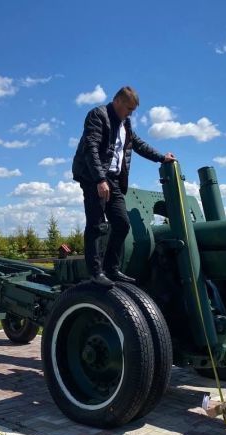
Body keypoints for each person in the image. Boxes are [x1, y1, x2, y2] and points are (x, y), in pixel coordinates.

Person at [72, 86, 176, 287]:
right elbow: (91, 148)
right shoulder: (97, 115)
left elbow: (138, 144)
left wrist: (161, 158)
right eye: (127, 108)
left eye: (132, 111)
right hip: (94, 176)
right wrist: (100, 180)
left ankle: (112, 268)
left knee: (122, 223)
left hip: (115, 179)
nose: (129, 113)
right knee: (97, 224)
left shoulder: (125, 123)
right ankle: (95, 272)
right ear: (117, 101)